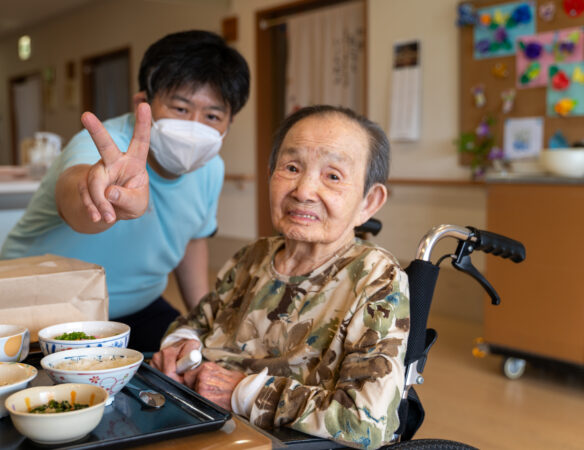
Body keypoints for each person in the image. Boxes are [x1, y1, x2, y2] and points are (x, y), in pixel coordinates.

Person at [152, 105, 409, 449]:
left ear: (369, 202)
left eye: (332, 176)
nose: (303, 191)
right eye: (291, 168)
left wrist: (243, 392)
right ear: (271, 174)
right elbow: (198, 321)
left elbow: (366, 420)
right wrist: (180, 347)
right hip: (196, 417)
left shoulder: (377, 278)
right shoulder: (253, 256)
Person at [0, 30, 250, 352]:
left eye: (212, 116)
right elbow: (75, 202)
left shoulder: (211, 169)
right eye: (181, 108)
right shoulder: (101, 148)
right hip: (40, 307)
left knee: (193, 365)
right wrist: (105, 196)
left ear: (228, 125)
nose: (194, 127)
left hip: (136, 309)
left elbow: (191, 240)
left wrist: (202, 324)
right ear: (142, 103)